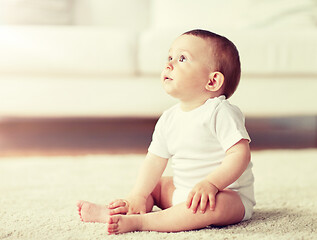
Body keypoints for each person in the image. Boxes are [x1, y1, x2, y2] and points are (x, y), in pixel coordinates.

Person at [77, 29, 255, 235]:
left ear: (212, 81)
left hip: (224, 194)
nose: (169, 64)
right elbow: (154, 160)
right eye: (170, 57)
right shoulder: (168, 118)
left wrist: (212, 184)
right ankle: (120, 211)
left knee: (218, 205)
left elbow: (239, 154)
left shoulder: (220, 111)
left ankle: (143, 222)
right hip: (182, 192)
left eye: (182, 58)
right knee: (153, 185)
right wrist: (138, 194)